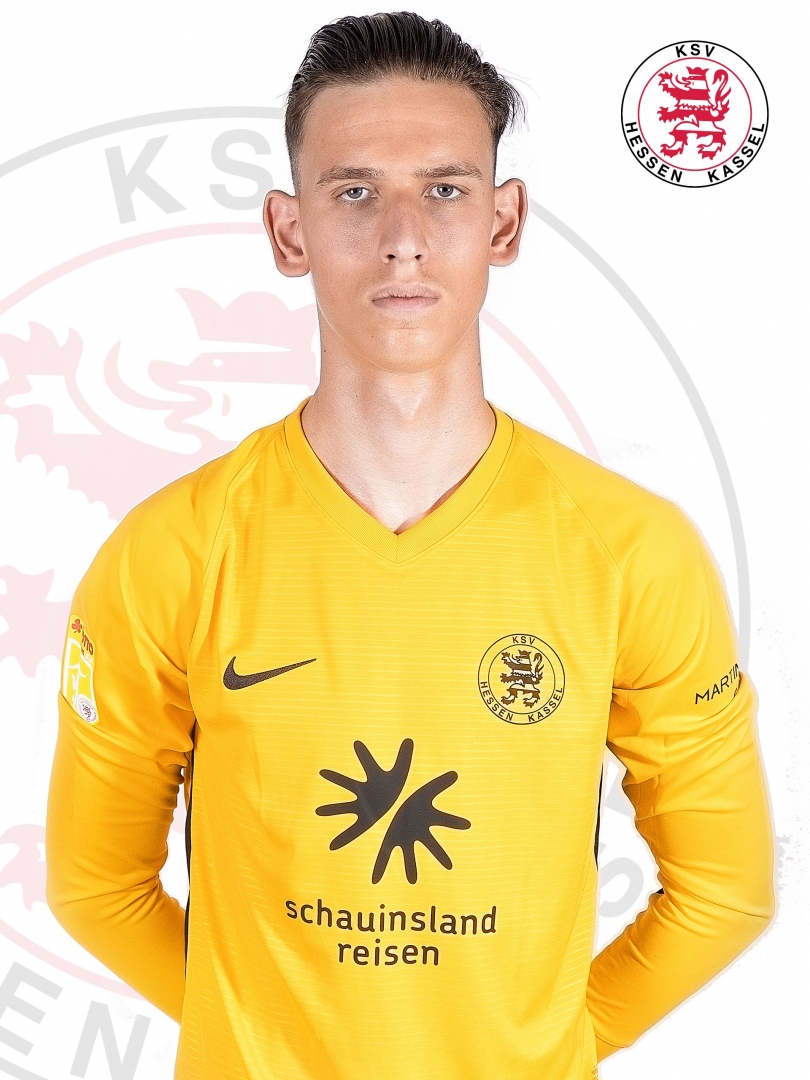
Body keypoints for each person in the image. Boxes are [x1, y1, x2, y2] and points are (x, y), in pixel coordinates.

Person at [46, 12, 774, 1079]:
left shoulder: (633, 553)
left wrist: (545, 1046)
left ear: (503, 223)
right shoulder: (172, 552)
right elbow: (94, 887)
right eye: (353, 192)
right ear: (289, 232)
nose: (402, 236)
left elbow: (726, 890)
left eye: (445, 190)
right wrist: (256, 1040)